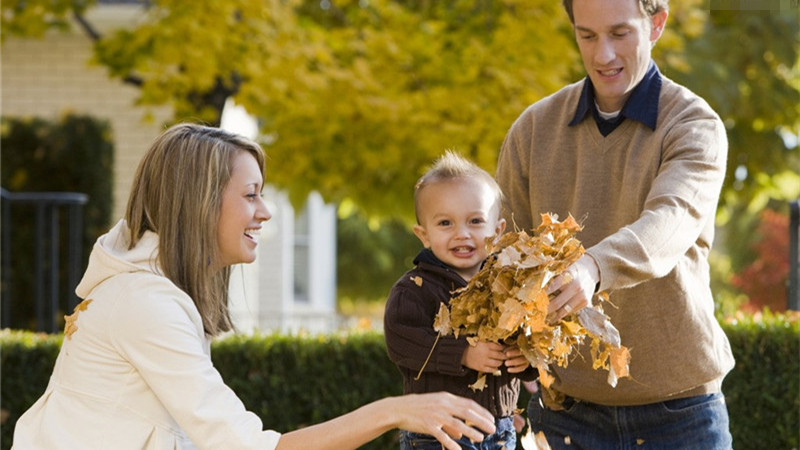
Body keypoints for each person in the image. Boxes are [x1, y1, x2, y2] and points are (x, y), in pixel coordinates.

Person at [12, 124, 497, 450]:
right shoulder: (145, 305)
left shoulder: (154, 294)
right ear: (201, 203)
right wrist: (398, 409)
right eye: (251, 195)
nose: (264, 212)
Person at [495, 0, 735, 448]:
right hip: (564, 415)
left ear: (656, 23)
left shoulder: (693, 124)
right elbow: (502, 255)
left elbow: (671, 219)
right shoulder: (532, 130)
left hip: (680, 415)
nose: (603, 55)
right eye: (587, 36)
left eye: (620, 34)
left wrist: (593, 268)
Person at [384, 151, 535, 450]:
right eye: (445, 224)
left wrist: (526, 357)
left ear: (498, 231)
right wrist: (462, 354)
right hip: (437, 433)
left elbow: (531, 336)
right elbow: (402, 343)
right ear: (423, 235)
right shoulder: (414, 290)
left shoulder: (509, 288)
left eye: (475, 221)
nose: (462, 234)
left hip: (500, 429)